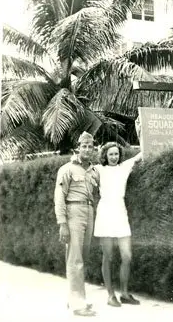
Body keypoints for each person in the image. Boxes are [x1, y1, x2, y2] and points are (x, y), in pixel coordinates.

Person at [54, 131, 99, 317]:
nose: (87, 149)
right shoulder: (67, 169)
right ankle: (77, 304)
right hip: (73, 213)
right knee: (75, 259)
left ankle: (76, 298)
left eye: (90, 146)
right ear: (78, 148)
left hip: (89, 212)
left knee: (82, 258)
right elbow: (59, 197)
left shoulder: (94, 171)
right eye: (84, 146)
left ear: (93, 149)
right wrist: (62, 223)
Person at [93, 142, 143, 307]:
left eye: (116, 154)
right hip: (105, 212)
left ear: (119, 155)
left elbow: (139, 156)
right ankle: (110, 295)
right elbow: (84, 168)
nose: (113, 157)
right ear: (105, 155)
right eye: (110, 154)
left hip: (120, 212)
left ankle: (125, 293)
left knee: (127, 256)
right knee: (108, 256)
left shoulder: (125, 166)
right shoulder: (99, 169)